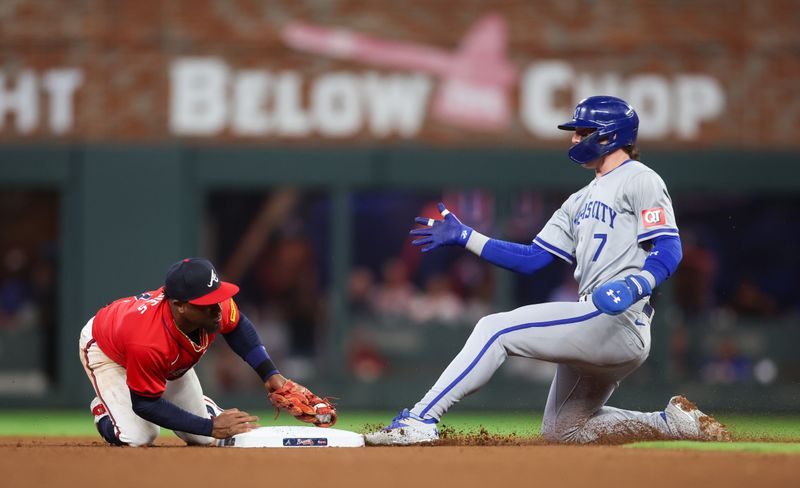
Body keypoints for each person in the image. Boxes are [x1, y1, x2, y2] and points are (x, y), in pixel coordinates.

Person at [366, 95, 730, 445]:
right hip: (596, 322)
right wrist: (467, 237)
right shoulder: (577, 200)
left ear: (609, 135)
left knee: (494, 329)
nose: (573, 139)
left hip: (618, 317)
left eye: (582, 131)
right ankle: (669, 424)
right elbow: (533, 259)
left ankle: (420, 419)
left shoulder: (641, 179)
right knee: (563, 430)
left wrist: (637, 284)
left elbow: (669, 248)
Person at [80, 257, 335, 447]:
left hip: (163, 358)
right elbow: (146, 403)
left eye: (217, 299)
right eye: (206, 305)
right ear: (179, 305)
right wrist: (210, 426)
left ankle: (205, 410)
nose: (217, 309)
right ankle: (104, 409)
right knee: (138, 436)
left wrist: (270, 374)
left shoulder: (211, 306)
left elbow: (237, 326)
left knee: (201, 438)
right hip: (108, 352)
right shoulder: (148, 341)